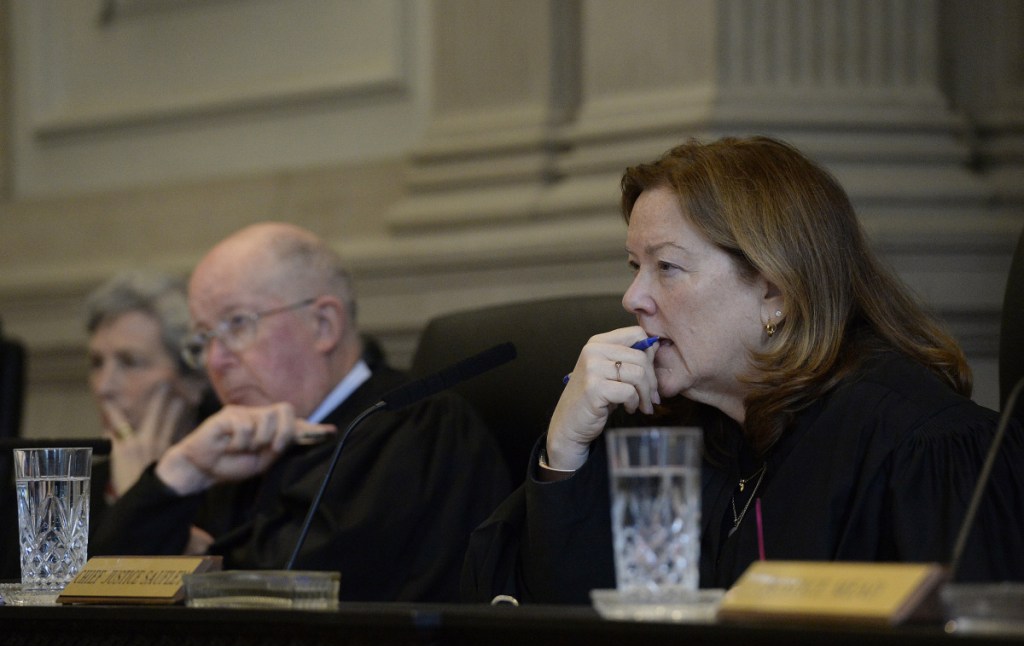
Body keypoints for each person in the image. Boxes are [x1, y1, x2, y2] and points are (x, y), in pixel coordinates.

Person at [462, 136, 1024, 604]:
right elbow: (542, 644)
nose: (633, 297)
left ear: (775, 292)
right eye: (636, 267)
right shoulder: (653, 426)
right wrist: (563, 455)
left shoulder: (918, 445)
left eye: (668, 267)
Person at [92, 222, 510, 602]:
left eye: (237, 324)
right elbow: (107, 587)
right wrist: (181, 470)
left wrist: (201, 552)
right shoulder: (231, 444)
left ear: (323, 324)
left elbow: (296, 595)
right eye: (203, 338)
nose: (215, 361)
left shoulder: (414, 427)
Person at [85, 271, 210, 526]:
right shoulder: (59, 497)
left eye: (130, 362)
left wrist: (140, 497)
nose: (104, 387)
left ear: (194, 379)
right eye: (97, 363)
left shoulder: (233, 492)